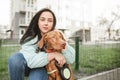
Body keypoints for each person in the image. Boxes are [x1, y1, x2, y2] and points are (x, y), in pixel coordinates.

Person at [8, 8, 75, 80]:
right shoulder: (30, 39)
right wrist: (54, 54)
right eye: (42, 19)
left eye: (50, 20)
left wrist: (61, 43)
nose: (46, 23)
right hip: (28, 66)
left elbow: (71, 59)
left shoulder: (57, 35)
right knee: (15, 58)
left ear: (53, 24)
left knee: (37, 77)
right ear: (37, 22)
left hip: (43, 69)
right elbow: (31, 62)